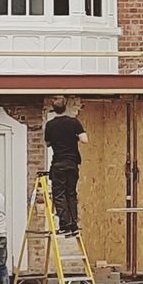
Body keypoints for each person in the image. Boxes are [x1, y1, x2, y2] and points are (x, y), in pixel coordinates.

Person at [44, 95, 88, 234]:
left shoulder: (50, 125)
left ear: (53, 108)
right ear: (66, 106)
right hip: (72, 163)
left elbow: (47, 144)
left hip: (58, 164)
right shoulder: (73, 122)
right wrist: (73, 138)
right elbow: (85, 140)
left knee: (59, 194)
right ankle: (73, 224)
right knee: (71, 193)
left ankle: (64, 224)